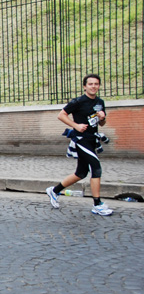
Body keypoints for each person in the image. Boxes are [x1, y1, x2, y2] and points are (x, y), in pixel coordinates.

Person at [46, 74, 113, 216]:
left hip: (92, 140)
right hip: (81, 140)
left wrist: (102, 118)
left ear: (99, 86)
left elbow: (101, 123)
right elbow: (61, 115)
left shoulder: (100, 102)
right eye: (90, 84)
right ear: (85, 86)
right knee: (96, 167)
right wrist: (75, 125)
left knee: (81, 173)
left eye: (96, 84)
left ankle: (54, 190)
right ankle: (97, 204)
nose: (93, 86)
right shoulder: (78, 101)